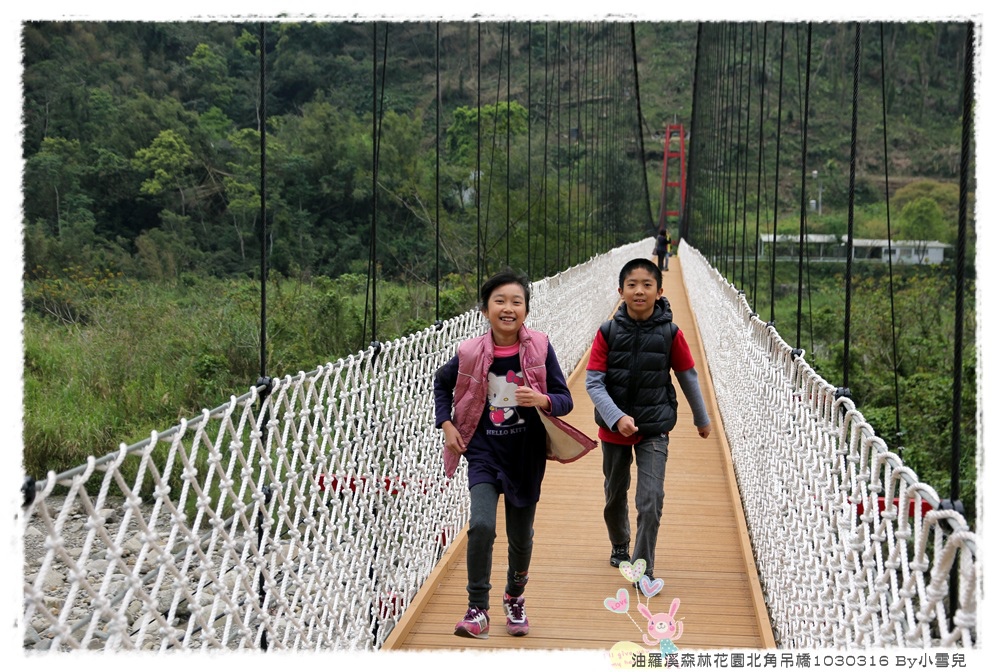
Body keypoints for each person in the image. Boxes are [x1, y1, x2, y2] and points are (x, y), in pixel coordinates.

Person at [434, 269, 595, 639]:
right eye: (500, 301)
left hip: (525, 454)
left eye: (516, 302)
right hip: (484, 452)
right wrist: (447, 424)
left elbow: (565, 399)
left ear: (526, 309)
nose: (508, 308)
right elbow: (442, 386)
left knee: (521, 538)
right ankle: (478, 608)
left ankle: (515, 597)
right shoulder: (469, 352)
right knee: (482, 526)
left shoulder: (539, 346)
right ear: (485, 309)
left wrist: (542, 400)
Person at [585, 258, 711, 582]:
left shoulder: (670, 333)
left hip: (654, 428)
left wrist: (702, 419)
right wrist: (616, 418)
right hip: (614, 430)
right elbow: (593, 383)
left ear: (659, 291)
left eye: (647, 285)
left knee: (651, 500)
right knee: (615, 495)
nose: (639, 290)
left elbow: (688, 376)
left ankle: (642, 569)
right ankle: (619, 543)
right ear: (620, 291)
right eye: (632, 285)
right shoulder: (607, 332)